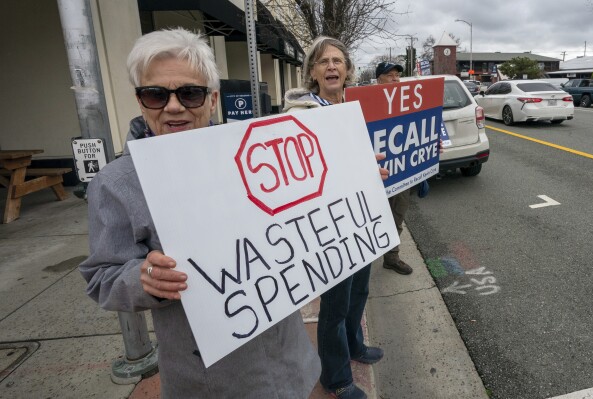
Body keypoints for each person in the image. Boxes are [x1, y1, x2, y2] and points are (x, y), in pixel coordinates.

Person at [79, 28, 320, 398]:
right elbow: (102, 277)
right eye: (156, 94)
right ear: (141, 102)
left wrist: (352, 173)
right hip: (211, 380)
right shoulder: (116, 183)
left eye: (189, 93)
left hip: (289, 359)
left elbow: (304, 209)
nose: (173, 106)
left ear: (212, 99)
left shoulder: (255, 153)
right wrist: (143, 278)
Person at [283, 37, 386, 399]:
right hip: (328, 225)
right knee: (336, 304)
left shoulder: (356, 105)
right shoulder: (300, 114)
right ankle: (336, 376)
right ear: (312, 71)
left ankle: (355, 345)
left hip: (360, 215)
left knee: (360, 289)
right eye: (323, 61)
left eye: (338, 61)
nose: (331, 67)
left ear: (347, 70)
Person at [374, 61, 414, 276]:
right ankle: (364, 260)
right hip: (374, 177)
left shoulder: (408, 102)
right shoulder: (367, 102)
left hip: (401, 173)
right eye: (390, 75)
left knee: (397, 216)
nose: (395, 79)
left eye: (397, 75)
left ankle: (391, 257)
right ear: (378, 78)